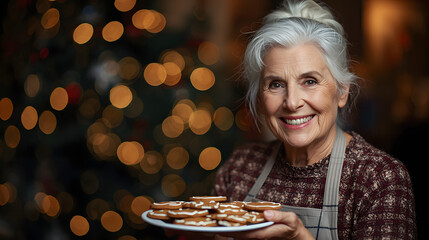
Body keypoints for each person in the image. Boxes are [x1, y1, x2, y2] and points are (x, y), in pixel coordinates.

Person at [212, 0, 417, 239]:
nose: (291, 102)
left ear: (342, 92)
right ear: (260, 97)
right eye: (276, 84)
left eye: (310, 81)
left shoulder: (379, 178)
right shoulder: (240, 168)